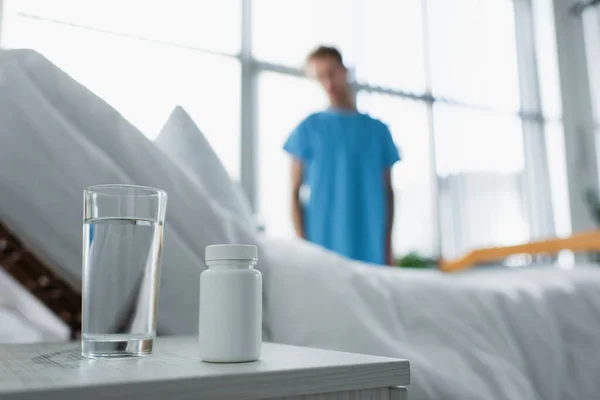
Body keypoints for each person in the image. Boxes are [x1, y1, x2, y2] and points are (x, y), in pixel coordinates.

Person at [283, 46, 400, 266]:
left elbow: (388, 192)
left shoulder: (378, 131)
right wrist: (302, 245)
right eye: (320, 77)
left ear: (345, 70)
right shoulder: (309, 128)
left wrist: (388, 245)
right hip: (322, 242)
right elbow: (293, 191)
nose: (328, 83)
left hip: (370, 242)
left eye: (332, 73)